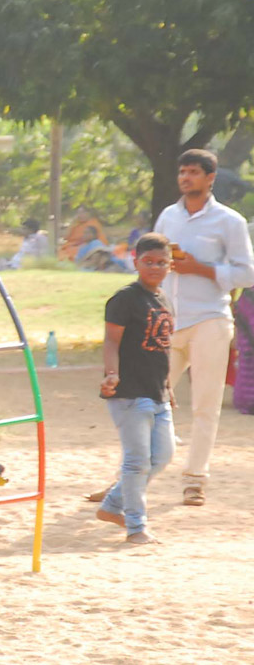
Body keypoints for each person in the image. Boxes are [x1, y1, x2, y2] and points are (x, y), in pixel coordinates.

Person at [153, 148, 254, 506]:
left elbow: (247, 273)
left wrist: (203, 269)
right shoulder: (167, 217)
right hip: (168, 320)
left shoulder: (229, 221)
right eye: (182, 172)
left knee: (204, 405)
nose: (186, 178)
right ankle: (130, 478)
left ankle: (195, 479)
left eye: (194, 172)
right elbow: (151, 259)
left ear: (210, 178)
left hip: (210, 319)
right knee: (148, 399)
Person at [95, 233, 176, 544]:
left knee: (163, 457)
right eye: (148, 262)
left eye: (161, 262)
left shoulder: (164, 299)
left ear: (170, 265)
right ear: (135, 261)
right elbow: (111, 341)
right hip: (129, 393)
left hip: (158, 392)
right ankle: (136, 527)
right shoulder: (125, 299)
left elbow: (163, 347)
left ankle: (113, 504)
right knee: (137, 460)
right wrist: (111, 374)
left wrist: (168, 387)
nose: (155, 267)